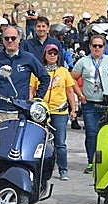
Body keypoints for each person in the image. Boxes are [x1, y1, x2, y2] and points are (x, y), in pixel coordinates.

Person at [71, 34, 108, 174]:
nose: (97, 48)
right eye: (94, 46)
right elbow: (72, 78)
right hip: (90, 104)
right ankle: (91, 161)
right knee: (91, 133)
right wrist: (80, 95)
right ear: (90, 46)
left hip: (107, 103)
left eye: (100, 46)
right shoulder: (83, 62)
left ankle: (107, 161)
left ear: (104, 47)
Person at [0, 26, 50, 127]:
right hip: (0, 110)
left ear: (19, 39)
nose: (10, 41)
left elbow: (45, 77)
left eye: (13, 38)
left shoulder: (28, 58)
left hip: (20, 111)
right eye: (6, 38)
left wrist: (37, 99)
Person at [29, 43, 80, 181]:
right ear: (44, 55)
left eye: (54, 53)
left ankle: (63, 169)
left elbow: (70, 90)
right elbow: (32, 89)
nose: (52, 56)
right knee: (41, 141)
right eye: (49, 53)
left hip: (59, 111)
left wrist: (73, 109)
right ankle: (40, 169)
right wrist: (31, 105)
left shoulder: (63, 71)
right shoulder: (38, 70)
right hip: (41, 111)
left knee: (60, 143)